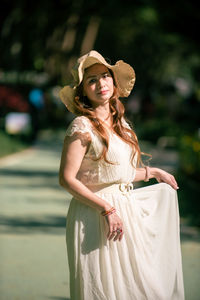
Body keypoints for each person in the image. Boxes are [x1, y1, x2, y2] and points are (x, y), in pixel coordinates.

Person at [59, 50, 184, 300]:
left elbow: (114, 174)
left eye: (104, 76)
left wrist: (152, 172)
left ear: (113, 82)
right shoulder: (82, 126)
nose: (100, 83)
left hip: (125, 211)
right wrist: (106, 209)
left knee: (135, 287)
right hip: (94, 214)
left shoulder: (121, 124)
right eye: (91, 80)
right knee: (102, 288)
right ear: (83, 90)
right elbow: (67, 178)